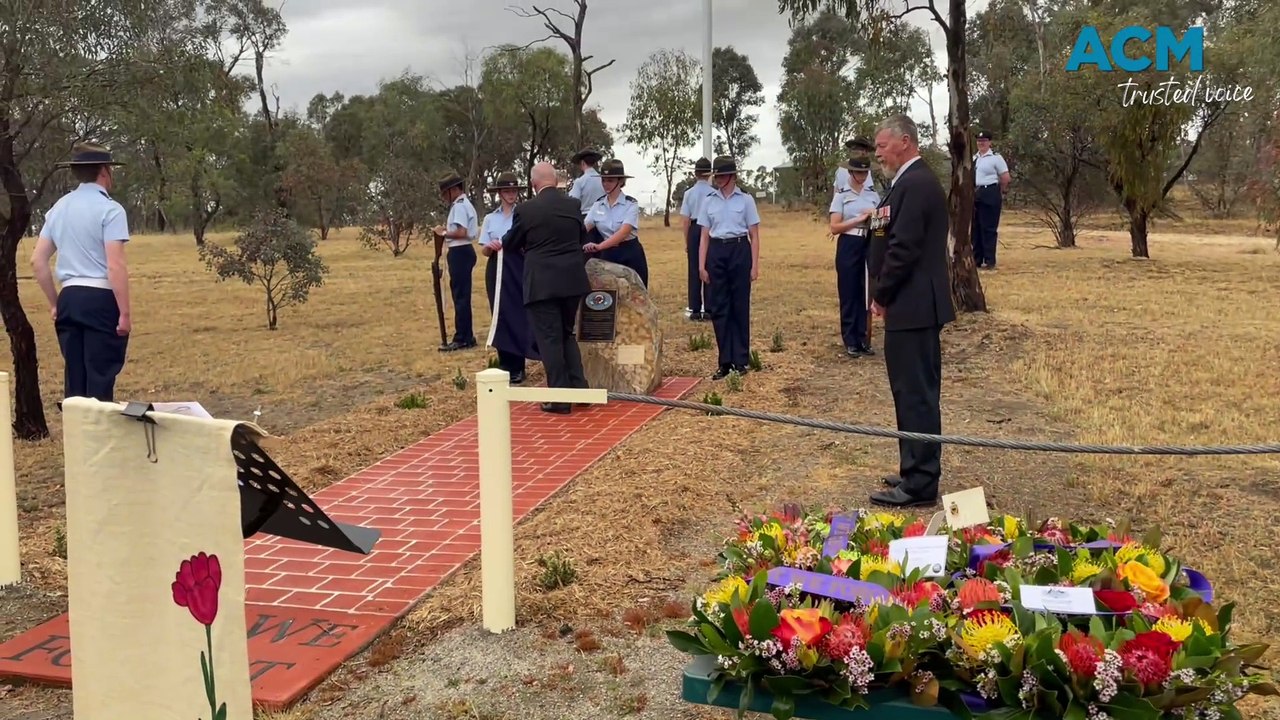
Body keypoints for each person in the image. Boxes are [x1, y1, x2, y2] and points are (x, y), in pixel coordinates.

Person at [864, 114, 956, 509]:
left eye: (883, 146)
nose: (879, 153)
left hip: (914, 305)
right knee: (908, 392)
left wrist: (881, 293)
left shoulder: (917, 184)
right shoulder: (905, 182)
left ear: (905, 141)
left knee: (916, 394)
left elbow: (903, 248)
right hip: (909, 305)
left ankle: (919, 483)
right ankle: (913, 465)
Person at [30, 143, 132, 403]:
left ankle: (77, 440)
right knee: (100, 378)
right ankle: (99, 440)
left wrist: (55, 304)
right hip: (99, 299)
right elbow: (115, 265)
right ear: (105, 171)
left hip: (69, 298)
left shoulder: (58, 208)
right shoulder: (111, 209)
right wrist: (124, 314)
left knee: (75, 379)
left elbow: (38, 261)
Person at [502, 162, 591, 415]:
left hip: (542, 284)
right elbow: (581, 239)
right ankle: (581, 391)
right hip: (572, 281)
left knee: (549, 340)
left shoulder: (526, 210)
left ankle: (559, 398)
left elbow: (511, 243)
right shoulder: (572, 206)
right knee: (566, 333)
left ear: (533, 183)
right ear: (556, 180)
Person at [697, 156, 760, 381]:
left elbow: (754, 234)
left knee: (739, 307)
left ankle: (741, 360)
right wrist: (701, 265)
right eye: (717, 176)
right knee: (719, 308)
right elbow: (704, 236)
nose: (719, 179)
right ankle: (725, 362)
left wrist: (754, 265)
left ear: (733, 176)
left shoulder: (746, 200)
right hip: (716, 252)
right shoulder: (708, 201)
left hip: (739, 250)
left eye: (723, 175)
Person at [479, 172, 539, 384]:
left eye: (514, 191)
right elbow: (484, 251)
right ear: (499, 194)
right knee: (500, 313)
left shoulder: (522, 214)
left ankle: (519, 366)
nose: (511, 194)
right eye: (507, 191)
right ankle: (505, 363)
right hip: (497, 267)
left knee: (518, 313)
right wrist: (490, 246)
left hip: (518, 265)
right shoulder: (490, 218)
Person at [828, 157, 881, 358]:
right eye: (858, 173)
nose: (862, 176)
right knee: (849, 291)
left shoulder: (873, 196)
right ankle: (850, 340)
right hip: (849, 243)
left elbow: (882, 223)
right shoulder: (841, 196)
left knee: (865, 292)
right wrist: (859, 218)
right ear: (850, 173)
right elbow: (834, 227)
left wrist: (875, 217)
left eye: (865, 173)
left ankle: (863, 338)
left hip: (869, 242)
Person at [583, 159, 649, 287]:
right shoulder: (597, 205)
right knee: (609, 297)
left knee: (636, 297)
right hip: (608, 256)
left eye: (610, 180)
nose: (606, 184)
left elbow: (624, 232)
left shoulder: (631, 204)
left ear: (621, 181)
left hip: (630, 253)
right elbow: (585, 226)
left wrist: (599, 246)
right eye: (603, 180)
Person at [433, 173, 479, 352]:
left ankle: (462, 337)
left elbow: (461, 232)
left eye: (445, 193)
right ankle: (466, 335)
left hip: (460, 251)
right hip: (463, 251)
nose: (444, 198)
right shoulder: (463, 204)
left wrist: (444, 233)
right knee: (462, 295)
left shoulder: (459, 206)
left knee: (460, 296)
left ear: (453, 190)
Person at [679, 157, 713, 321]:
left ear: (695, 173)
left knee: (694, 269)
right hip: (709, 229)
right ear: (709, 174)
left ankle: (694, 308)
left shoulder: (688, 193)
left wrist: (687, 241)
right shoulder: (713, 192)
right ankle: (709, 308)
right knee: (709, 267)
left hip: (694, 228)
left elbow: (685, 220)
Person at [972, 130, 1010, 270]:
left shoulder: (995, 158)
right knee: (976, 228)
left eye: (984, 141)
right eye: (979, 141)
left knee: (988, 228)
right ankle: (977, 259)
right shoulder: (974, 158)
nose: (981, 143)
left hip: (990, 192)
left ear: (989, 142)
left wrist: (998, 192)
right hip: (976, 193)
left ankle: (989, 260)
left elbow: (1005, 177)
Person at [567, 148, 605, 219]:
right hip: (602, 216)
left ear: (582, 163)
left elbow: (573, 201)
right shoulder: (603, 180)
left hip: (585, 217)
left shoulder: (580, 181)